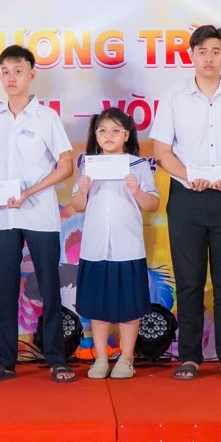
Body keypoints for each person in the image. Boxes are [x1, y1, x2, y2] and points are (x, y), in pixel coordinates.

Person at [149, 24, 221, 382]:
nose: (209, 58)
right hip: (187, 198)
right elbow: (161, 151)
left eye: (216, 51)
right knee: (189, 281)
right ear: (191, 55)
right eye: (202, 52)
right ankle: (190, 356)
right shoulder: (173, 96)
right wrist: (188, 176)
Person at [0, 45, 75, 384]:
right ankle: (4, 360)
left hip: (39, 213)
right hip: (5, 216)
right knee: (4, 287)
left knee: (48, 285)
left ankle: (56, 359)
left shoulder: (46, 117)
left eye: (18, 71)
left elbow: (66, 165)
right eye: (5, 72)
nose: (11, 78)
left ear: (31, 75)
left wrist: (30, 192)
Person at [70, 108, 160, 380]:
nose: (108, 136)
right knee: (97, 305)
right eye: (102, 131)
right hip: (95, 247)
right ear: (95, 135)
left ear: (126, 135)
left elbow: (153, 204)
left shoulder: (138, 165)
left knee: (129, 306)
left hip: (127, 246)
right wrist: (82, 190)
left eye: (115, 130)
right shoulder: (88, 164)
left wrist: (136, 190)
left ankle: (127, 357)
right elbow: (78, 205)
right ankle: (100, 357)